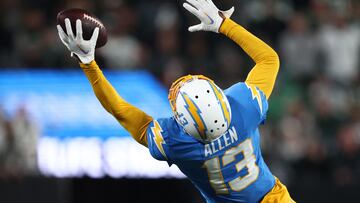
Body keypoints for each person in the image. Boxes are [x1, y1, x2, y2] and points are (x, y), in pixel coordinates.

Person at [57, 0, 295, 202]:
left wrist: (88, 63)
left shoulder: (175, 142)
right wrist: (224, 24)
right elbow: (268, 60)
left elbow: (120, 110)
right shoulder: (244, 106)